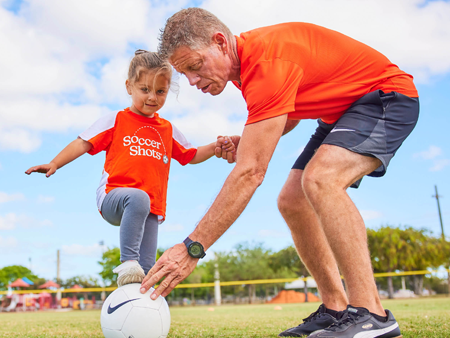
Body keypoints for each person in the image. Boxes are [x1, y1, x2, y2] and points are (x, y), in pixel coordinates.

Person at [140, 8, 419, 338]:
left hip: (385, 96)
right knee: (292, 200)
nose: (193, 81)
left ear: (220, 43)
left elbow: (250, 173)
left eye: (196, 67)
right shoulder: (246, 73)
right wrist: (249, 141)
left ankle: (372, 315)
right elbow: (288, 116)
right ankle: (335, 309)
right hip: (341, 113)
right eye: (185, 73)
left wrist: (192, 248)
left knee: (321, 179)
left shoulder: (267, 64)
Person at [25, 50, 236, 288]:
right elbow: (83, 142)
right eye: (145, 89)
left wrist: (216, 146)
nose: (152, 98)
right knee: (137, 201)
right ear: (129, 87)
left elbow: (192, 155)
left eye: (160, 91)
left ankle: (139, 308)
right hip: (114, 197)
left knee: (146, 271)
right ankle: (126, 263)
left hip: (151, 210)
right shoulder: (116, 119)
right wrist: (55, 163)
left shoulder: (167, 129)